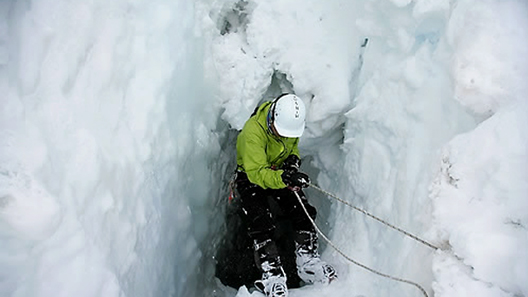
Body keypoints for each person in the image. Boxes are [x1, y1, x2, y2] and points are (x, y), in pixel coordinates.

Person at [234, 93, 337, 297]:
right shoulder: (252, 133)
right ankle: (271, 271)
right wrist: (284, 178)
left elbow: (293, 149)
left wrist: (292, 162)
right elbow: (257, 174)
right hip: (252, 176)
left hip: (279, 173)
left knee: (303, 211)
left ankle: (307, 261)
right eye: (279, 132)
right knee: (260, 221)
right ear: (272, 117)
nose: (283, 136)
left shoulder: (289, 125)